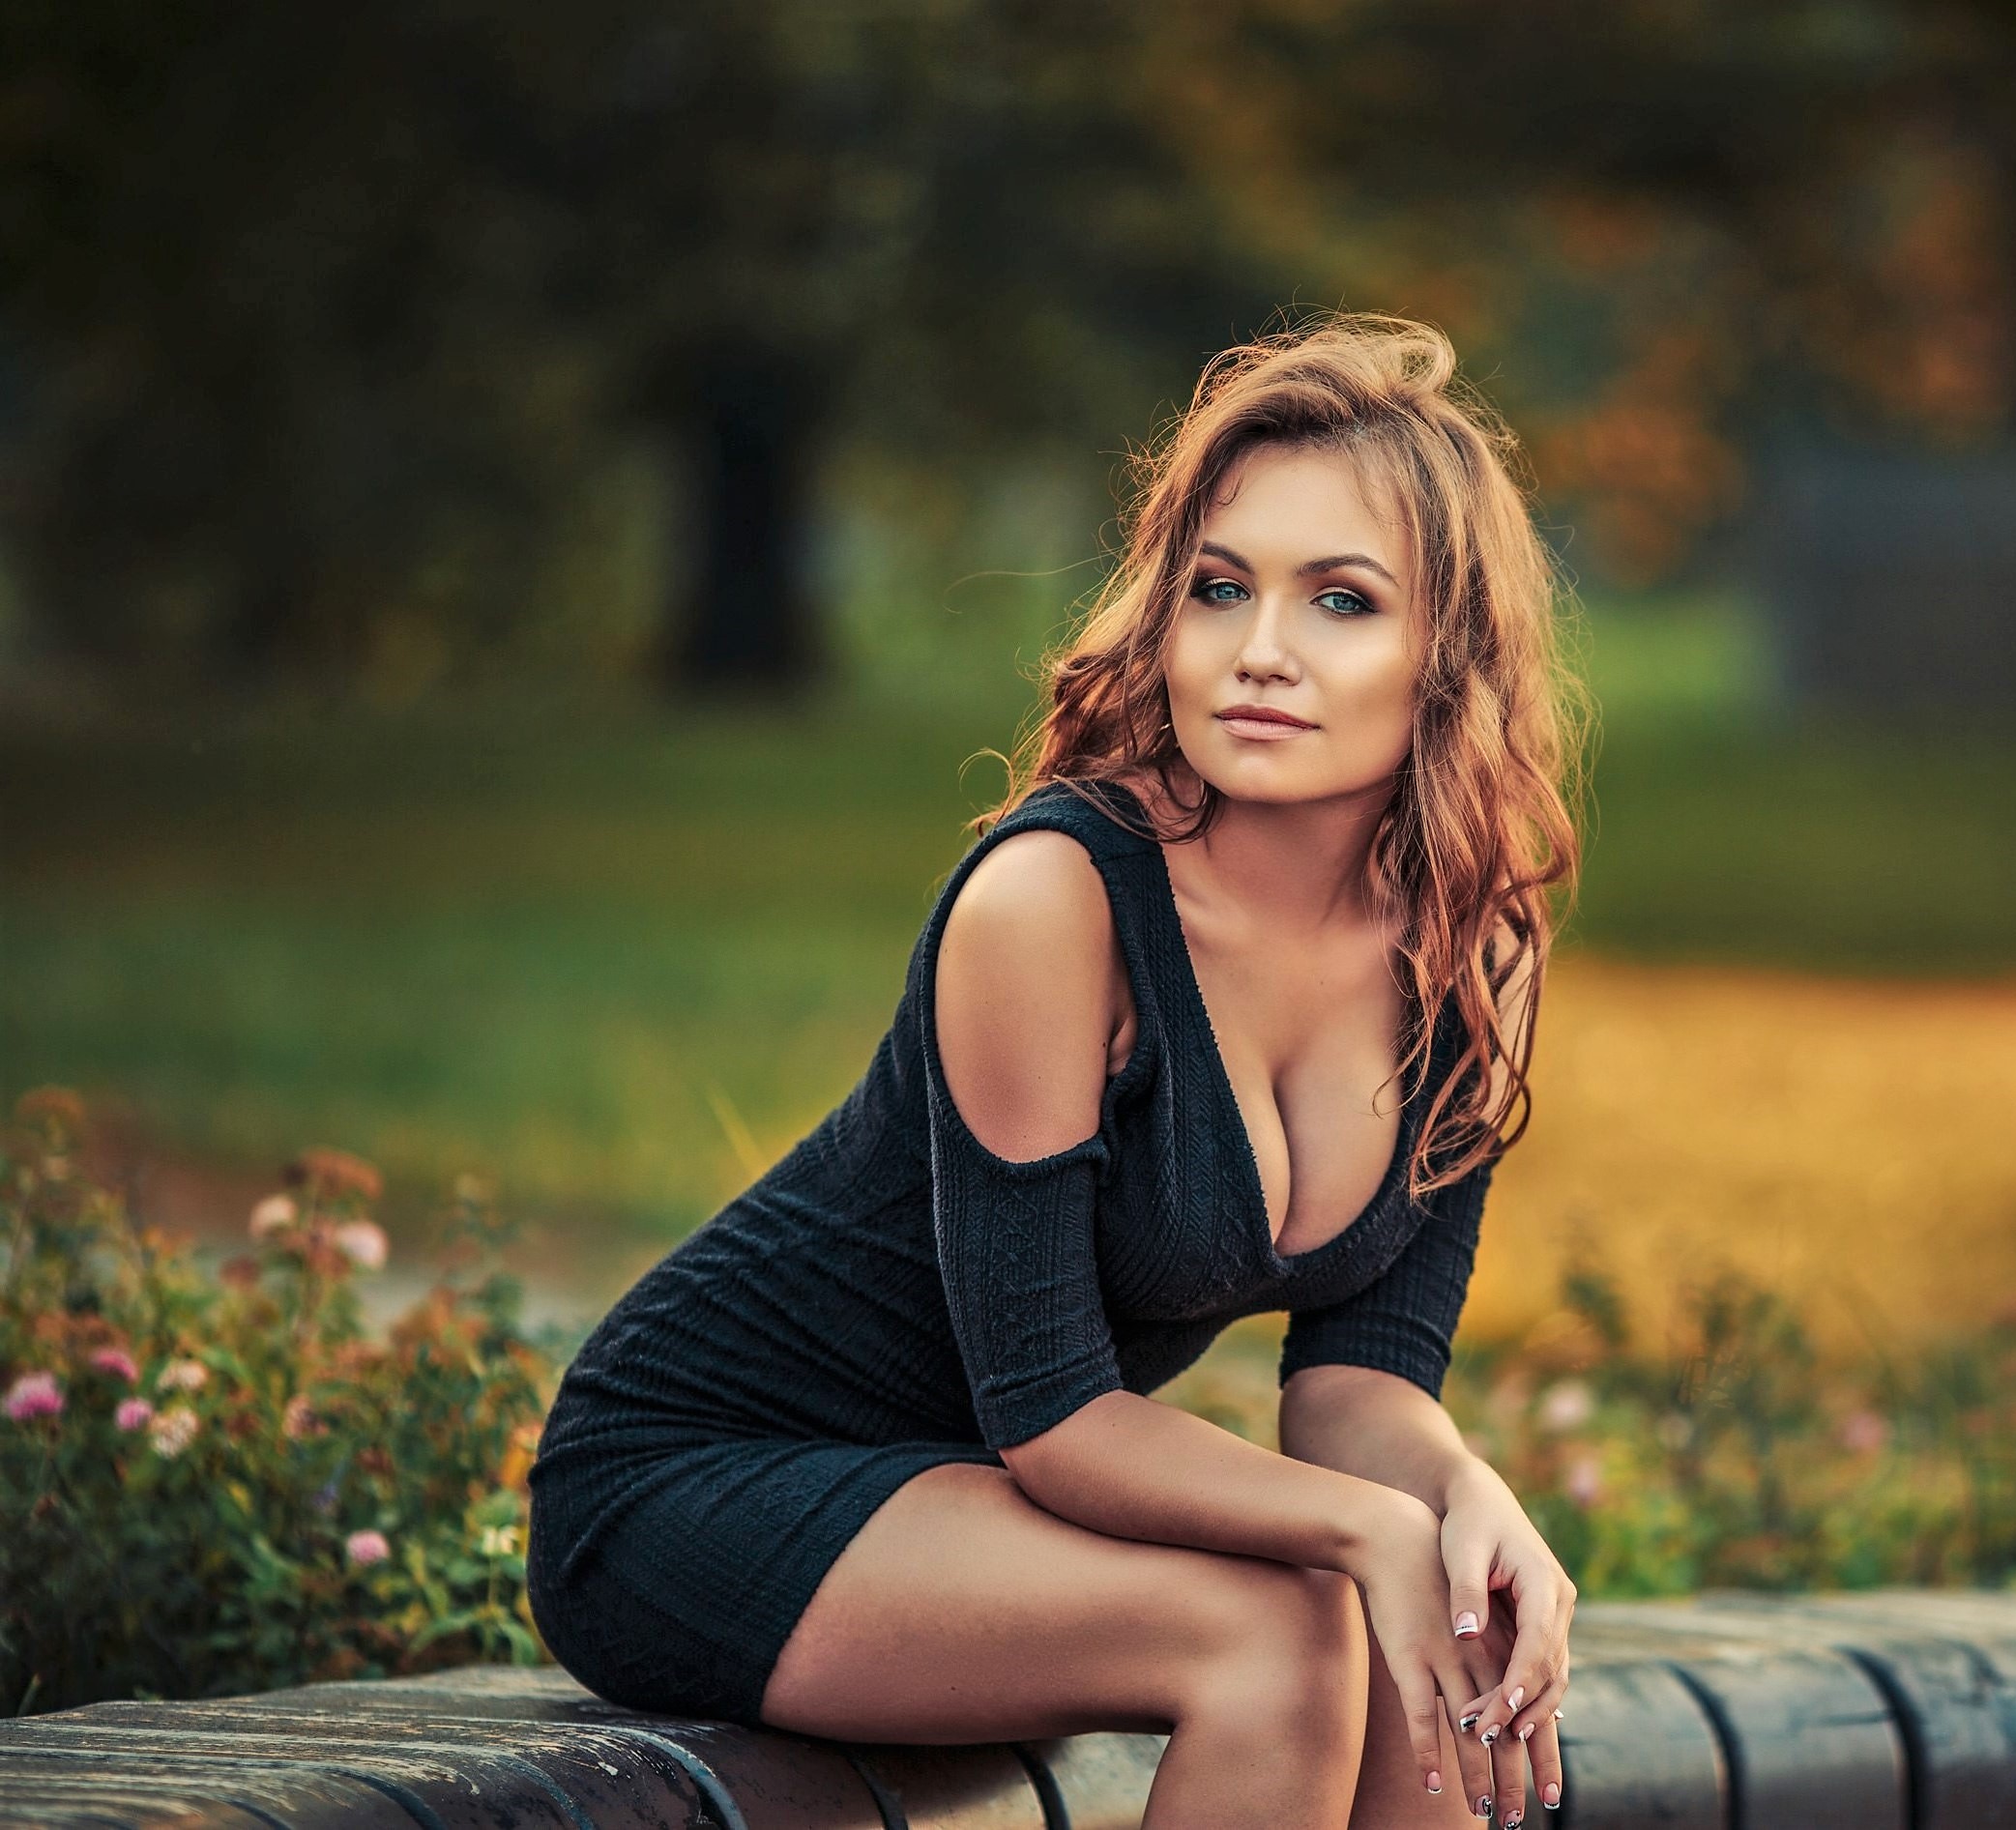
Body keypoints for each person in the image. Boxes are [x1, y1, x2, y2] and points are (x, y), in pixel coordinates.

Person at [524, 310, 1587, 1829]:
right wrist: (1365, 1532)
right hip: (700, 1482)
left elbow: (1359, 1385)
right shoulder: (1058, 900)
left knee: (1435, 1611)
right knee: (1283, 1626)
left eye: (1340, 601)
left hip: (971, 1500)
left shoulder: (1470, 953)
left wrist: (1459, 1497)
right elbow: (1054, 1418)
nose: (1260, 652)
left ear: (1447, 657)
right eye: (1220, 587)